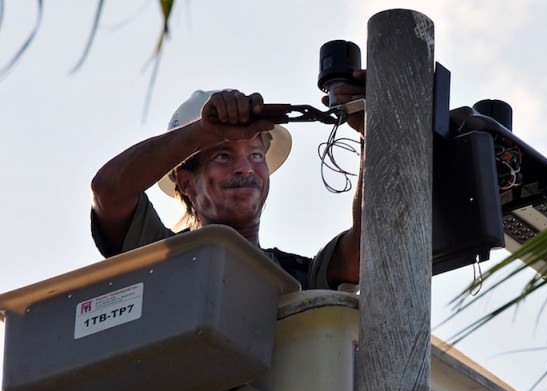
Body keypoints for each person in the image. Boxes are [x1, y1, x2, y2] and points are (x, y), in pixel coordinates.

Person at [91, 76, 365, 290]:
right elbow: (109, 191)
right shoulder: (157, 262)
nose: (245, 168)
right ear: (186, 183)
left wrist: (372, 127)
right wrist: (204, 132)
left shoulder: (300, 279)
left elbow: (369, 247)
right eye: (223, 155)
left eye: (256, 155)